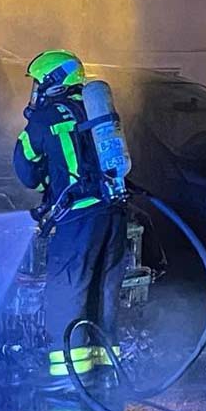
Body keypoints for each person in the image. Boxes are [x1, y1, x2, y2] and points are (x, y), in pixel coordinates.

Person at [13, 50, 127, 383]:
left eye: (37, 82)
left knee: (67, 294)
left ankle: (68, 380)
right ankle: (108, 373)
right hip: (115, 214)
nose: (34, 90)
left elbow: (26, 173)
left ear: (51, 83)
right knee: (104, 292)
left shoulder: (44, 118)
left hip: (78, 219)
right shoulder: (95, 112)